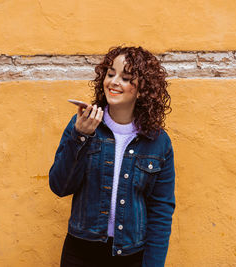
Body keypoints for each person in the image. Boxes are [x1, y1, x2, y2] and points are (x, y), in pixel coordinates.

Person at [49, 46, 176, 267]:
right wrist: (81, 137)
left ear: (142, 89)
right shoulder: (83, 124)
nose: (114, 82)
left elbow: (161, 210)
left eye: (125, 78)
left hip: (131, 255)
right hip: (81, 251)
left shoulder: (158, 142)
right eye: (110, 74)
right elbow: (60, 186)